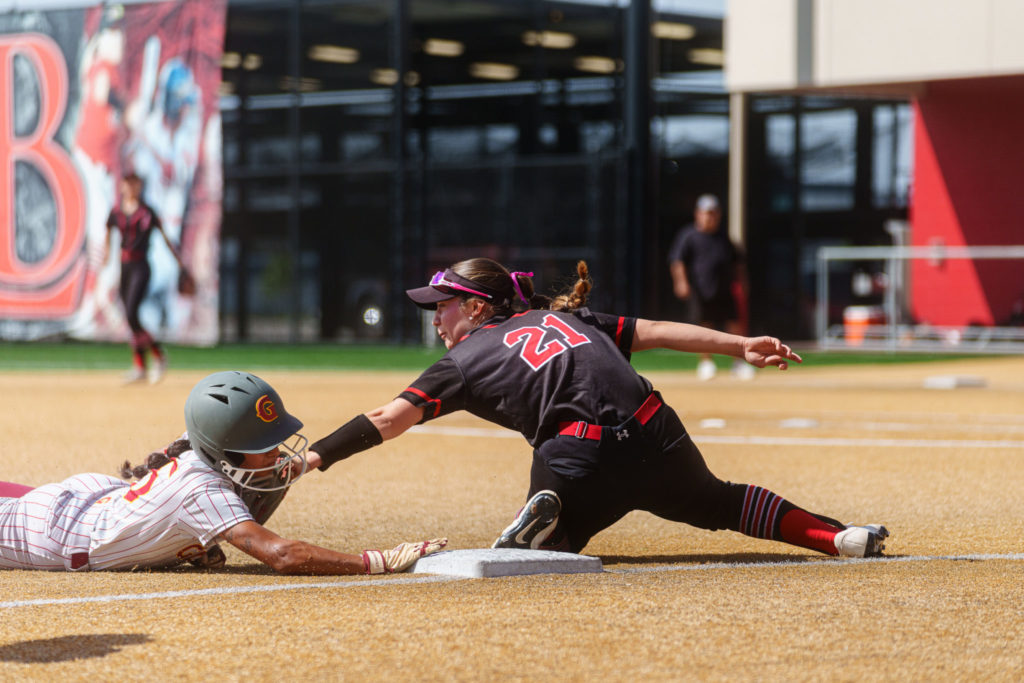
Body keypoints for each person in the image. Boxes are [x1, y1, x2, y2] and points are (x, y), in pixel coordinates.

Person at [306, 258, 889, 560]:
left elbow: (387, 420)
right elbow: (658, 330)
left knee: (552, 544)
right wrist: (740, 344)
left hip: (579, 457)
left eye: (445, 306)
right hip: (655, 431)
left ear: (480, 310)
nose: (436, 317)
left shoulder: (461, 363)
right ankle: (839, 538)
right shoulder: (571, 316)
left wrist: (316, 455)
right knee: (721, 501)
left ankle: (550, 516)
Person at [0, 371, 445, 574]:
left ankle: (188, 543)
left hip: (95, 498)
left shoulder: (206, 447)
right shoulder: (204, 488)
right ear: (226, 450)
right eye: (263, 446)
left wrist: (325, 453)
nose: (275, 453)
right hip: (51, 532)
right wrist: (375, 561)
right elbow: (283, 555)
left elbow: (299, 461)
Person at [100, 172, 187, 384]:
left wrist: (180, 264)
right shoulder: (117, 211)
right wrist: (105, 256)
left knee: (131, 312)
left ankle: (158, 355)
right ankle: (140, 367)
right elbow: (108, 233)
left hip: (140, 266)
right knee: (131, 318)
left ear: (139, 187)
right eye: (127, 184)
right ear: (122, 187)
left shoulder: (146, 212)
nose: (131, 188)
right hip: (125, 265)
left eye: (134, 184)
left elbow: (166, 238)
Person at [668, 194, 752, 381]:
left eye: (714, 213)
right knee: (704, 327)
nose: (710, 217)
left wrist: (743, 283)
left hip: (725, 289)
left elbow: (738, 262)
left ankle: (738, 362)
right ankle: (706, 363)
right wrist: (681, 282)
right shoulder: (689, 236)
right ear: (698, 214)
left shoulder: (724, 237)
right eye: (707, 213)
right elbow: (677, 261)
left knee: (734, 325)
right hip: (701, 290)